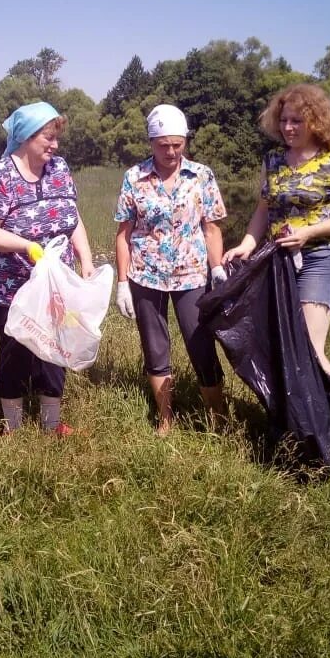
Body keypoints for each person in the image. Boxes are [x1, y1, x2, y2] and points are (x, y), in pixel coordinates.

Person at [225, 83, 330, 378]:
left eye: (296, 121)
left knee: (310, 348)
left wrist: (309, 232)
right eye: (284, 120)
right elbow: (264, 209)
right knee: (282, 345)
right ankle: (295, 420)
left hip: (319, 257)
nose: (288, 127)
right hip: (278, 261)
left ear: (316, 121)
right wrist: (248, 243)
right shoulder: (273, 160)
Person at [0, 101, 96, 435]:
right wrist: (26, 246)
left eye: (56, 138)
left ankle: (51, 422)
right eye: (48, 137)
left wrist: (85, 259)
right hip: (10, 283)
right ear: (26, 137)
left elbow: (73, 217)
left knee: (57, 345)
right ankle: (11, 424)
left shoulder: (59, 169)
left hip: (57, 281)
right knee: (15, 349)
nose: (54, 145)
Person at [114, 104, 229, 435]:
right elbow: (123, 234)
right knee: (155, 346)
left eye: (177, 144)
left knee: (200, 343)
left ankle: (217, 416)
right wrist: (123, 282)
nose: (171, 152)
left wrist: (217, 267)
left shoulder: (201, 176)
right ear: (151, 143)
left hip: (192, 274)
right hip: (145, 273)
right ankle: (166, 417)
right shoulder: (134, 178)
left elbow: (211, 228)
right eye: (163, 145)